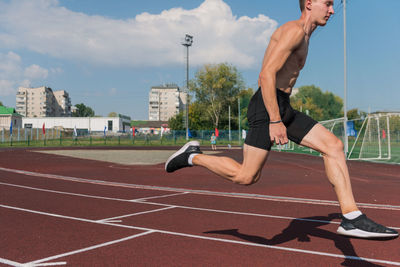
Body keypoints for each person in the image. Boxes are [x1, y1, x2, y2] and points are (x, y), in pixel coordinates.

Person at [165, 0, 398, 239]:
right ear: (309, 3)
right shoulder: (293, 31)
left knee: (333, 146)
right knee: (246, 176)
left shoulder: (306, 36)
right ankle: (192, 156)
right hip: (267, 107)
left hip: (283, 105)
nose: (332, 10)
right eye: (327, 4)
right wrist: (275, 121)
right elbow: (265, 75)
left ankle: (351, 217)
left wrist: (280, 114)